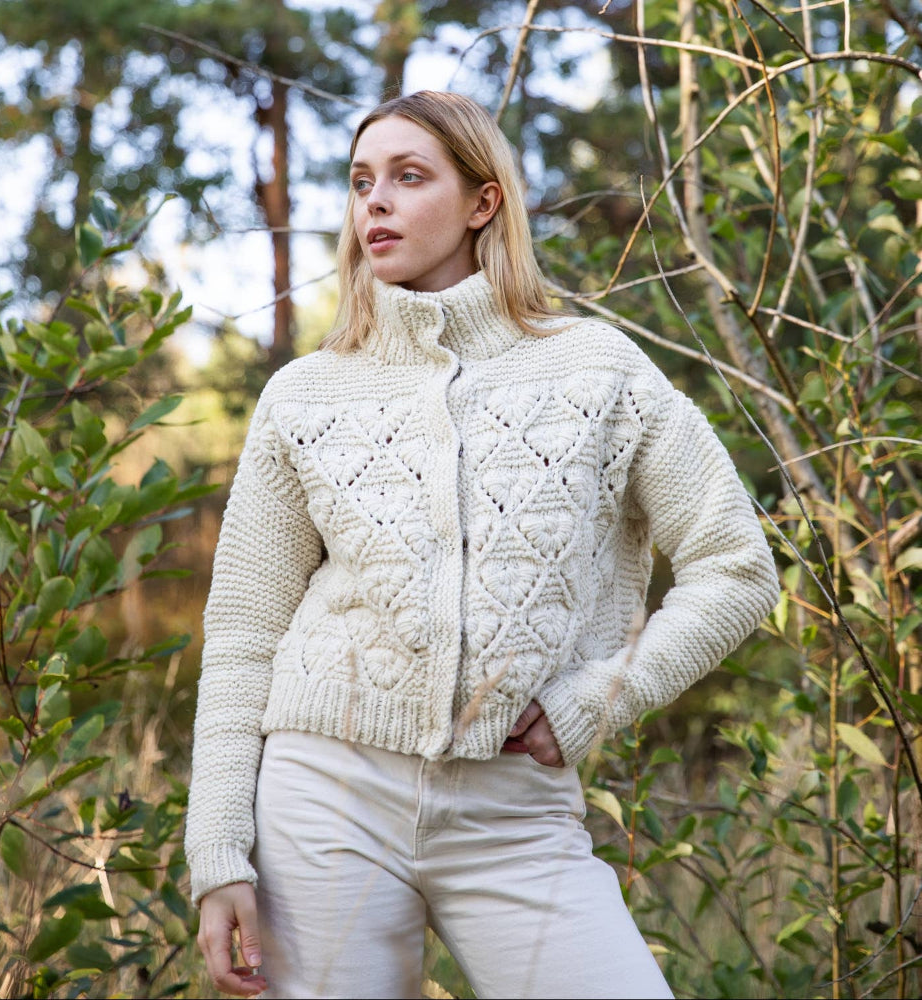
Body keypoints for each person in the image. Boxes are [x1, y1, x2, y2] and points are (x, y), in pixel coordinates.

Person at [184, 90, 779, 1000]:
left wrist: (599, 698)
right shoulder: (303, 395)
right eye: (360, 182)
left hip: (516, 810)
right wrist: (219, 851)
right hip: (323, 800)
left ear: (483, 201)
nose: (373, 202)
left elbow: (736, 567)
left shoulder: (599, 368)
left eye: (408, 177)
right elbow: (242, 635)